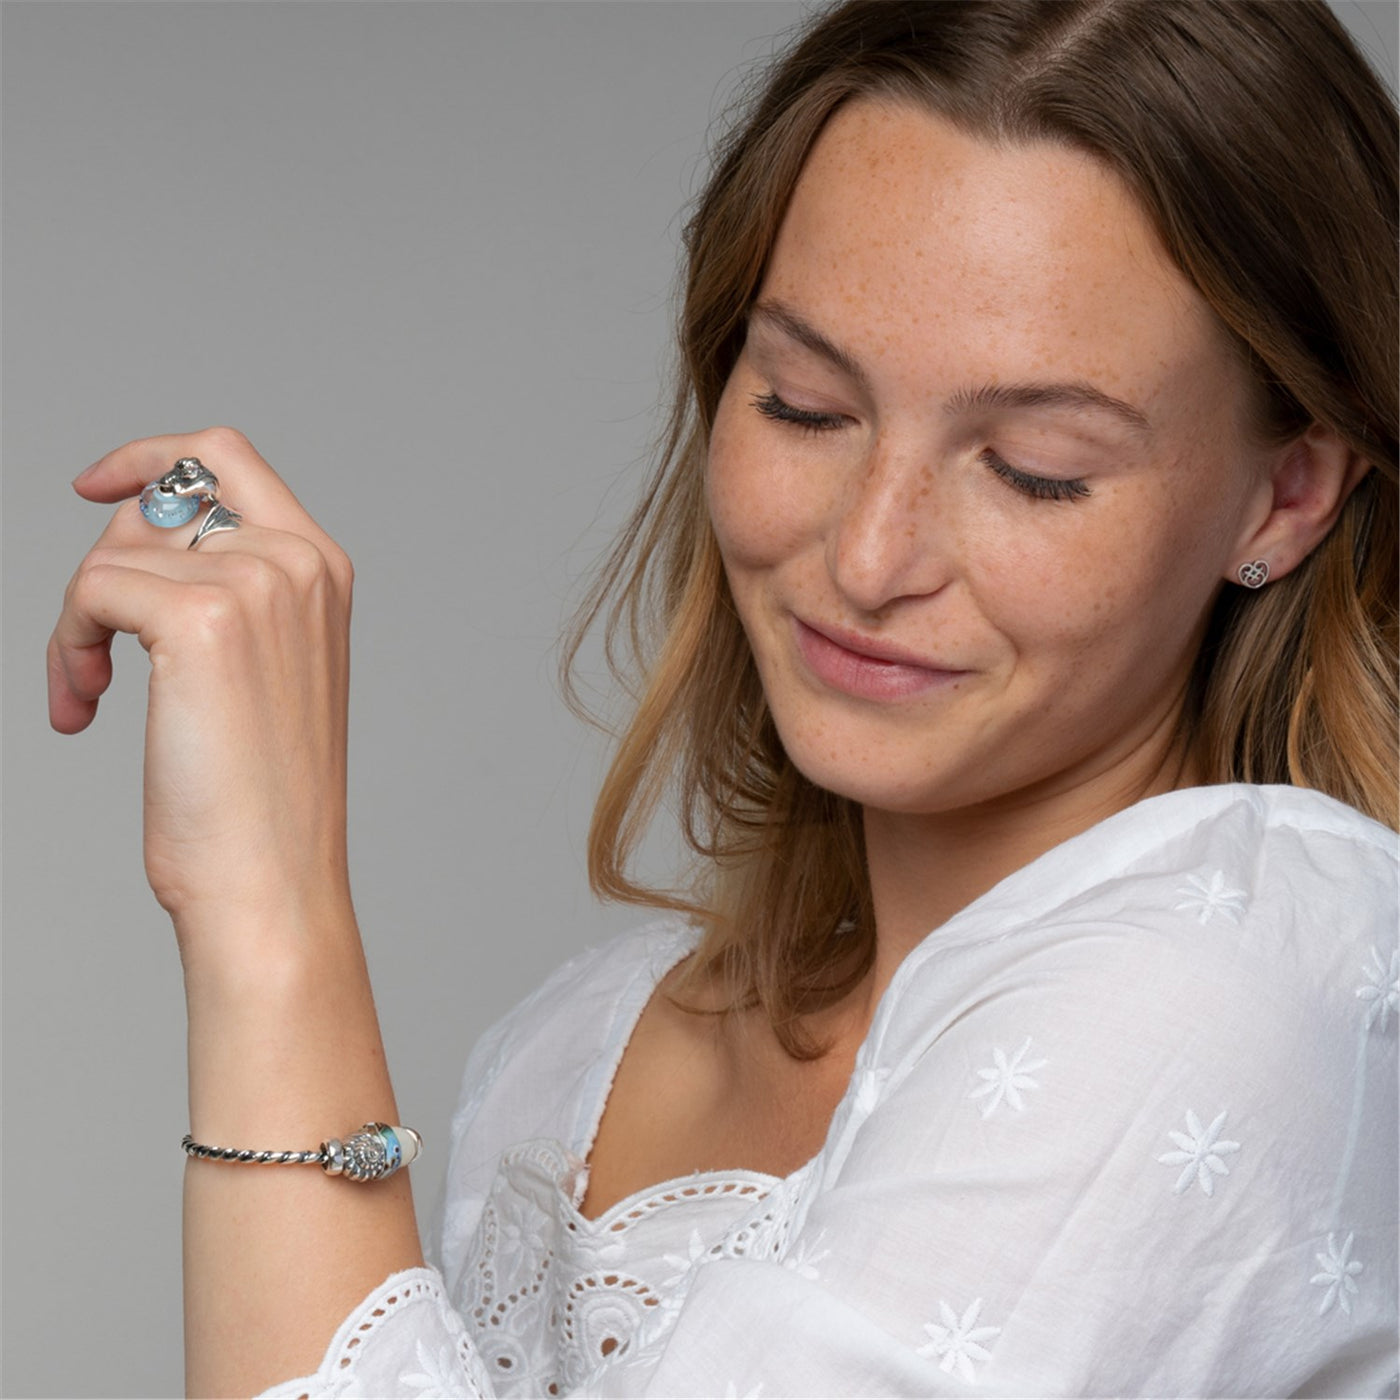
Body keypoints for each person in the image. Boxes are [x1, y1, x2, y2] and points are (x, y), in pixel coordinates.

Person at [47, 0, 1397, 1395]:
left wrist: (270, 909)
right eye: (805, 405)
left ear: (1289, 494)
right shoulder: (579, 1053)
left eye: (1036, 468)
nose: (868, 557)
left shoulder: (1221, 1001)